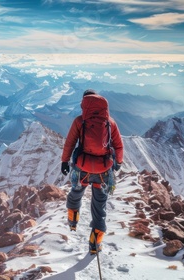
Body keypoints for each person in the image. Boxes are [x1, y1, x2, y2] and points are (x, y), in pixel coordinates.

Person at [60, 89, 123, 254]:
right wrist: (118, 162)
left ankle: (73, 220)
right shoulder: (111, 122)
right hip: (104, 171)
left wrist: (64, 161)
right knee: (99, 205)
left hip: (82, 168)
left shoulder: (79, 121)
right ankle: (95, 243)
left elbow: (70, 143)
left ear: (84, 103)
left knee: (76, 191)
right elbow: (118, 146)